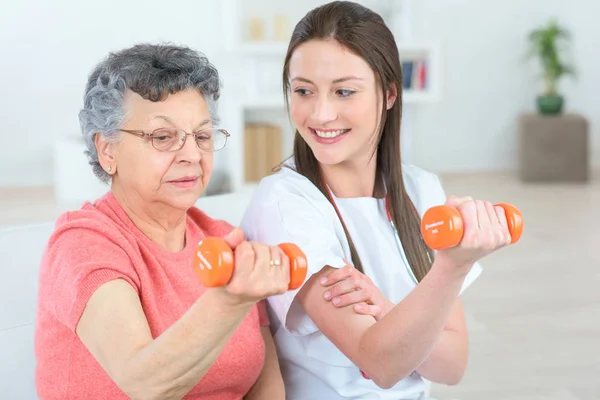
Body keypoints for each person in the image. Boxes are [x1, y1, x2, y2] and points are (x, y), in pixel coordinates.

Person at [240, 2, 516, 399]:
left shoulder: (421, 189)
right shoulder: (285, 204)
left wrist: (387, 310)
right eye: (303, 91)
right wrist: (450, 268)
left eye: (344, 91)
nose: (320, 114)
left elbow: (452, 365)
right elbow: (381, 363)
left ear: (388, 93)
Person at [34, 43, 289, 400]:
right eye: (163, 137)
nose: (191, 155)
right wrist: (231, 299)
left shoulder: (220, 236)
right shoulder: (83, 243)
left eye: (201, 136)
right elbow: (145, 383)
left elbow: (267, 381)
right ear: (108, 150)